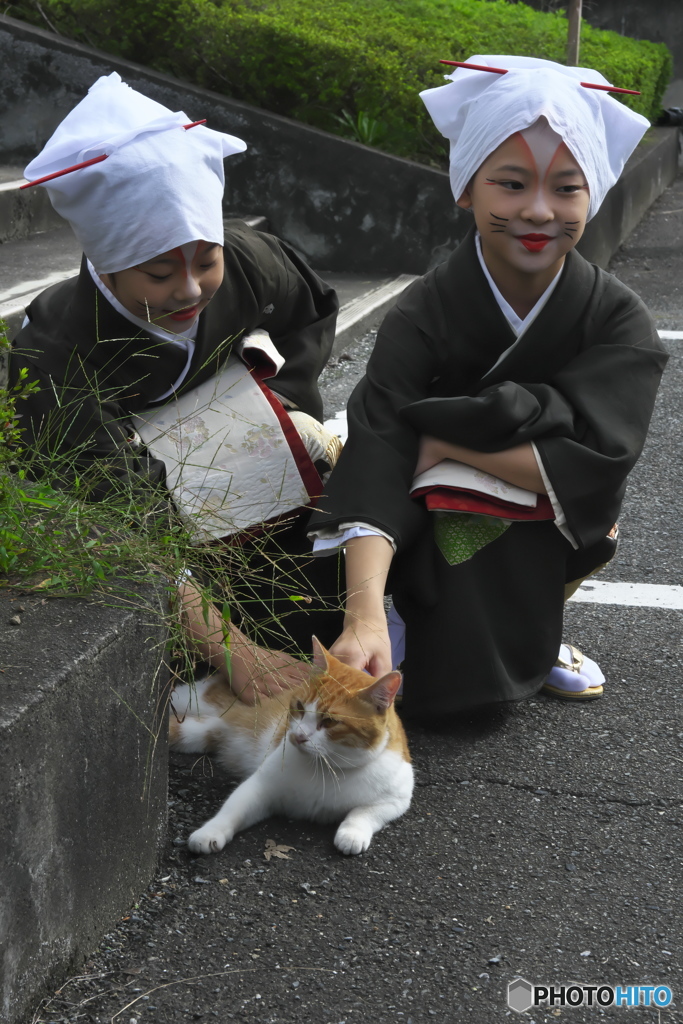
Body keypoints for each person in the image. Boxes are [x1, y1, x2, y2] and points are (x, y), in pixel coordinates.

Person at [308, 55, 668, 719]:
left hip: (548, 510)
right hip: (423, 508)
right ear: (465, 188)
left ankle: (541, 629)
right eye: (510, 184)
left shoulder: (615, 317)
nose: (537, 212)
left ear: (592, 195)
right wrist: (358, 618)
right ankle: (386, 621)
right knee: (400, 489)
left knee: (529, 497)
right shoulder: (424, 311)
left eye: (566, 189)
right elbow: (381, 450)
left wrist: (448, 446)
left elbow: (596, 458)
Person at [11, 72, 343, 703]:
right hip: (145, 502)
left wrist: (289, 408)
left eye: (204, 261)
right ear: (105, 263)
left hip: (240, 463)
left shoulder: (245, 260)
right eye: (159, 272)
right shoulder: (54, 351)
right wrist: (235, 651)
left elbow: (312, 308)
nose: (189, 289)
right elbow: (123, 512)